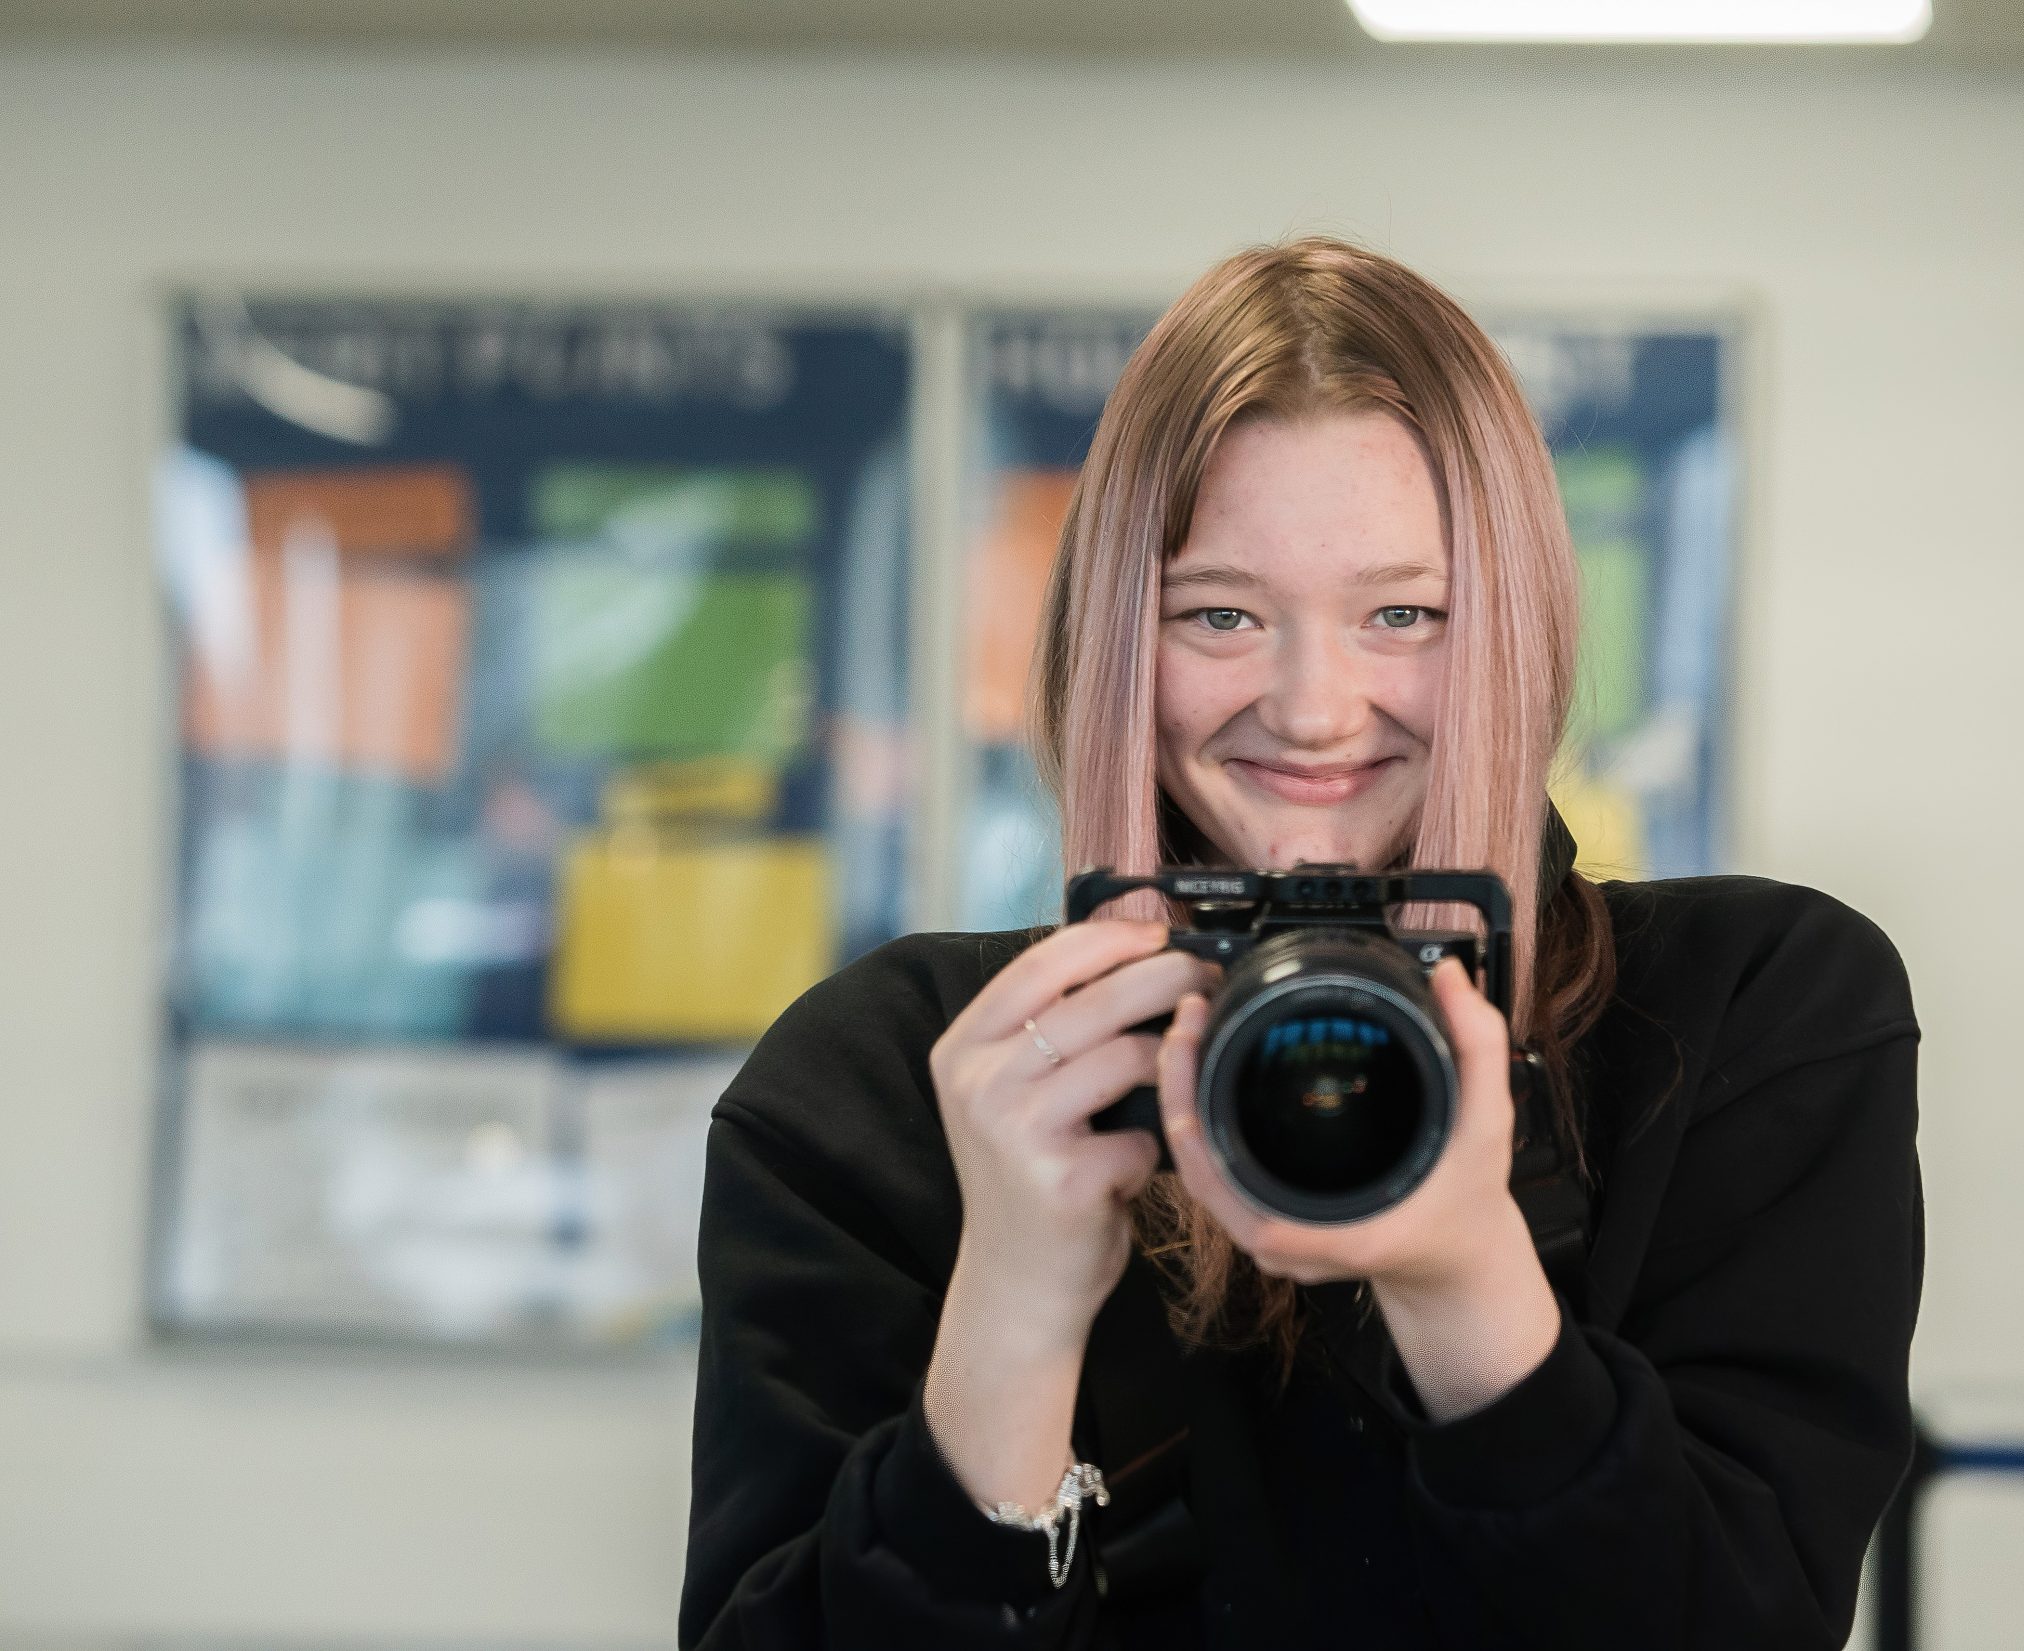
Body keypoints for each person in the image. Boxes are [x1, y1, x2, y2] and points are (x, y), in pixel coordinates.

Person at [678, 238, 1923, 1650]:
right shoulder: (899, 1081)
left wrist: (1467, 1275)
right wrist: (1016, 1307)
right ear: (1113, 649)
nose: (1316, 708)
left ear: (1516, 632)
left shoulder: (1745, 1020)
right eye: (1219, 614)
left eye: (1405, 614)